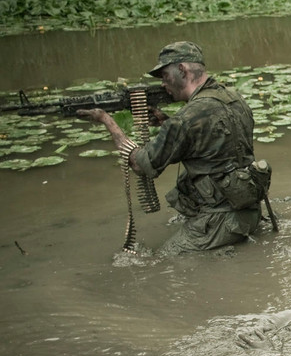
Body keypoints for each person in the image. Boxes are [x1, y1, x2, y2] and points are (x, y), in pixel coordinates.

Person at [78, 41, 265, 254]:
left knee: (161, 261)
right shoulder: (234, 98)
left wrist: (106, 121)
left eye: (165, 76)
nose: (163, 85)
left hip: (221, 219)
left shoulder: (185, 119)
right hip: (251, 210)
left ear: (182, 70)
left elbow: (143, 165)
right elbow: (214, 145)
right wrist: (167, 123)